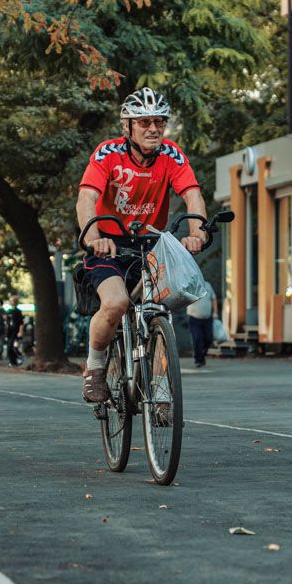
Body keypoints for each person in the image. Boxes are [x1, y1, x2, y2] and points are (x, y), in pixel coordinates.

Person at [76, 87, 208, 403]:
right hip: (108, 243)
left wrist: (197, 233)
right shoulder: (107, 153)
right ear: (128, 126)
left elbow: (191, 194)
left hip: (150, 241)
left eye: (159, 122)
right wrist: (93, 238)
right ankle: (94, 367)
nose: (153, 129)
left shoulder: (171, 155)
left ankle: (160, 387)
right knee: (116, 303)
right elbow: (87, 198)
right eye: (144, 122)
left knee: (163, 307)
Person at [186, 280, 217, 368]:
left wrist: (215, 312)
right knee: (197, 339)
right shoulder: (190, 285)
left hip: (208, 318)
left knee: (209, 339)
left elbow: (213, 298)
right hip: (194, 318)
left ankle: (202, 355)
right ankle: (198, 360)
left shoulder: (208, 285)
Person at [2, 296, 25, 367]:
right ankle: (13, 362)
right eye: (11, 301)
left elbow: (21, 323)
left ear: (16, 302)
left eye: (13, 301)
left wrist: (20, 331)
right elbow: (7, 322)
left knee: (12, 347)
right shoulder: (9, 311)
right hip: (10, 332)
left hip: (15, 332)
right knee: (10, 347)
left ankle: (16, 359)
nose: (11, 302)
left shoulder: (18, 311)